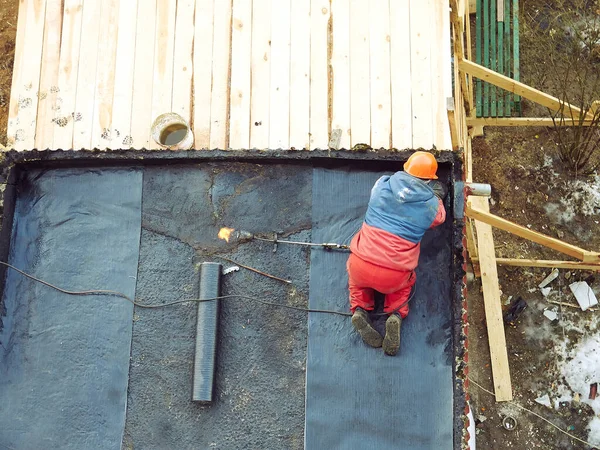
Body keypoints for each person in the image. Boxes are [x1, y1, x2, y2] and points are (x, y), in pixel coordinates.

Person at [347, 151, 447, 356]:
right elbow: (440, 218)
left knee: (357, 282)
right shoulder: (430, 207)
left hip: (361, 262)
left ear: (405, 167)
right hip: (393, 274)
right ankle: (395, 314)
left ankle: (359, 309)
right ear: (430, 179)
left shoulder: (381, 185)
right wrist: (436, 196)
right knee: (402, 286)